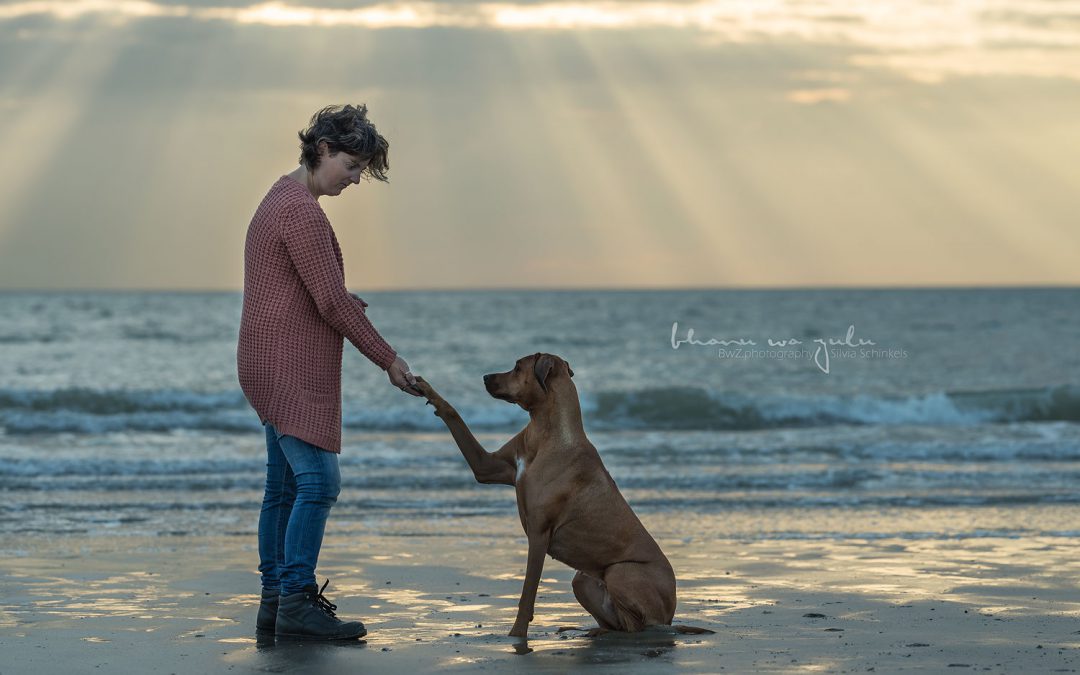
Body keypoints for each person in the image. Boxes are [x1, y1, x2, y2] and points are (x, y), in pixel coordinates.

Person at [236, 104, 421, 640]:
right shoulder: (301, 211)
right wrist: (389, 358)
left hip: (267, 359)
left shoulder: (283, 196)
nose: (358, 178)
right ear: (323, 150)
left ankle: (276, 601)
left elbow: (306, 292)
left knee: (285, 487)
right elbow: (332, 307)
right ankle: (295, 599)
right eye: (353, 165)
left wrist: (337, 299)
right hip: (287, 365)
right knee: (318, 484)